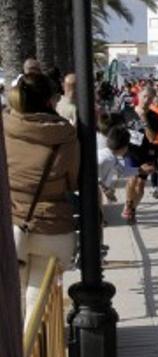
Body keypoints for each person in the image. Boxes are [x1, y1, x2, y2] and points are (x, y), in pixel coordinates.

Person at [6, 73, 79, 322]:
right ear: (50, 102)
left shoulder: (4, 126)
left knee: (12, 298)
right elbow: (73, 180)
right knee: (39, 299)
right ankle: (36, 354)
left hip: (10, 223)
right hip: (51, 227)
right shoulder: (64, 135)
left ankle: (13, 356)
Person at [121, 88, 158, 224]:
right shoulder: (126, 112)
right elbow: (119, 131)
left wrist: (144, 119)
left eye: (150, 98)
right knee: (132, 179)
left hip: (146, 152)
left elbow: (151, 138)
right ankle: (127, 203)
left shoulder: (155, 116)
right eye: (144, 96)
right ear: (138, 96)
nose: (146, 100)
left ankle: (133, 208)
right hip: (130, 152)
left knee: (140, 186)